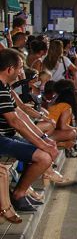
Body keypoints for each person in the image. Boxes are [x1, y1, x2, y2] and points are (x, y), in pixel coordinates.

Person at [0, 49, 60, 213]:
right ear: (9, 70)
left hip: (6, 137)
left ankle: (21, 191)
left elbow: (20, 114)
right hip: (2, 139)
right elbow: (15, 121)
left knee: (43, 151)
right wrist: (43, 145)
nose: (21, 72)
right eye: (19, 68)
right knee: (43, 157)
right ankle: (19, 194)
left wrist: (43, 138)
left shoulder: (5, 87)